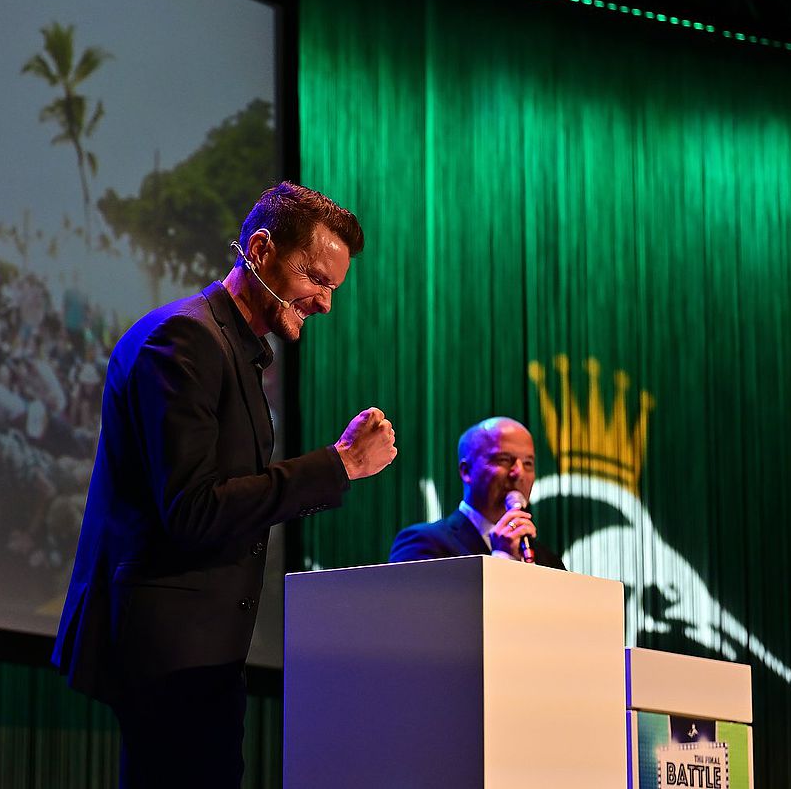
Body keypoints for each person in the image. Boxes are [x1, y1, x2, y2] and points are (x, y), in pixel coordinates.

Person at [53, 182, 397, 788]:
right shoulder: (183, 340)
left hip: (201, 658)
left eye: (332, 289)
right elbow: (192, 508)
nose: (324, 303)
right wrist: (338, 464)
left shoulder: (230, 349)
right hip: (168, 656)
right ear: (260, 249)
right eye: (315, 278)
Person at [389, 416, 565, 569]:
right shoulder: (422, 543)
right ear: (466, 471)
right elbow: (419, 607)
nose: (518, 472)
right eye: (503, 459)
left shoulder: (548, 560)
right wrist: (502, 558)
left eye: (528, 463)